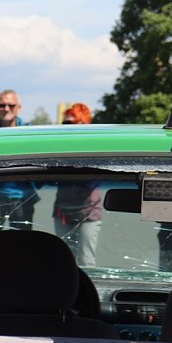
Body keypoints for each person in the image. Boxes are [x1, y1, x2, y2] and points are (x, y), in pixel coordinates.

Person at [0, 89, 40, 232]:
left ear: (19, 108)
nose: (6, 109)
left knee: (21, 243)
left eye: (11, 105)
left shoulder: (31, 134)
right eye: (2, 105)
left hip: (22, 198)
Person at [53, 103, 102, 267]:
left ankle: (86, 285)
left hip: (88, 212)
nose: (67, 127)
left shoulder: (94, 148)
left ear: (84, 124)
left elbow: (91, 180)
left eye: (71, 123)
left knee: (86, 261)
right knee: (63, 260)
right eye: (65, 123)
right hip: (62, 212)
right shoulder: (58, 148)